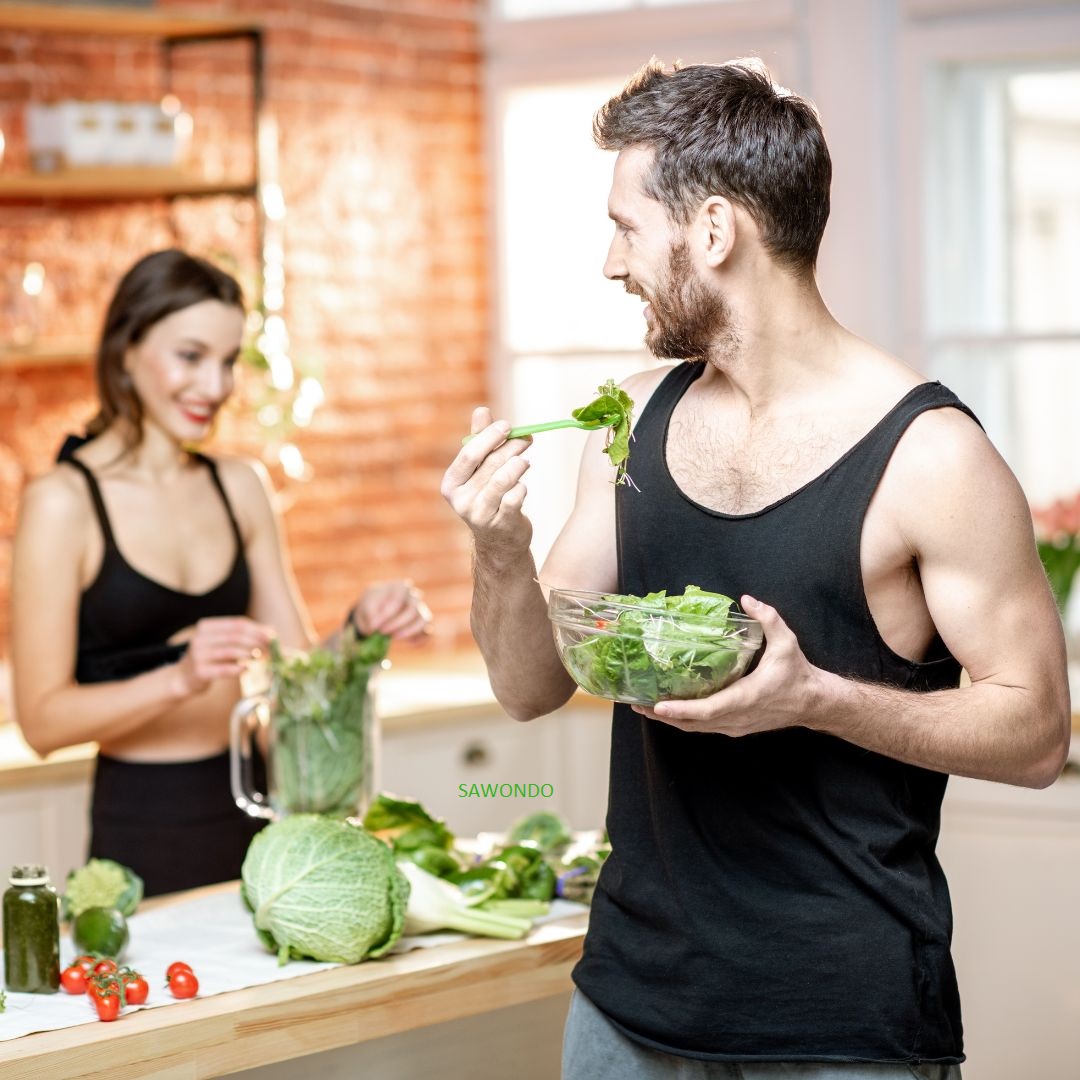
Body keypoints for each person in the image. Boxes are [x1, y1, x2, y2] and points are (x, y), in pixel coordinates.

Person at [442, 59, 1071, 1078]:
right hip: (627, 1007)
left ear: (716, 232)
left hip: (842, 1023)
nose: (613, 263)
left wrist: (815, 698)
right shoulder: (634, 419)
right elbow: (526, 687)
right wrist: (500, 552)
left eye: (627, 226)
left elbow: (1038, 733)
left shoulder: (929, 453)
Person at [12, 248, 432, 897]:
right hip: (144, 827)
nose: (215, 386)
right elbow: (42, 723)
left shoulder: (240, 486)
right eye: (190, 356)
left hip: (263, 811)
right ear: (126, 349)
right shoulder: (62, 503)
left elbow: (297, 673)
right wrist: (179, 678)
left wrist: (361, 626)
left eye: (228, 360)